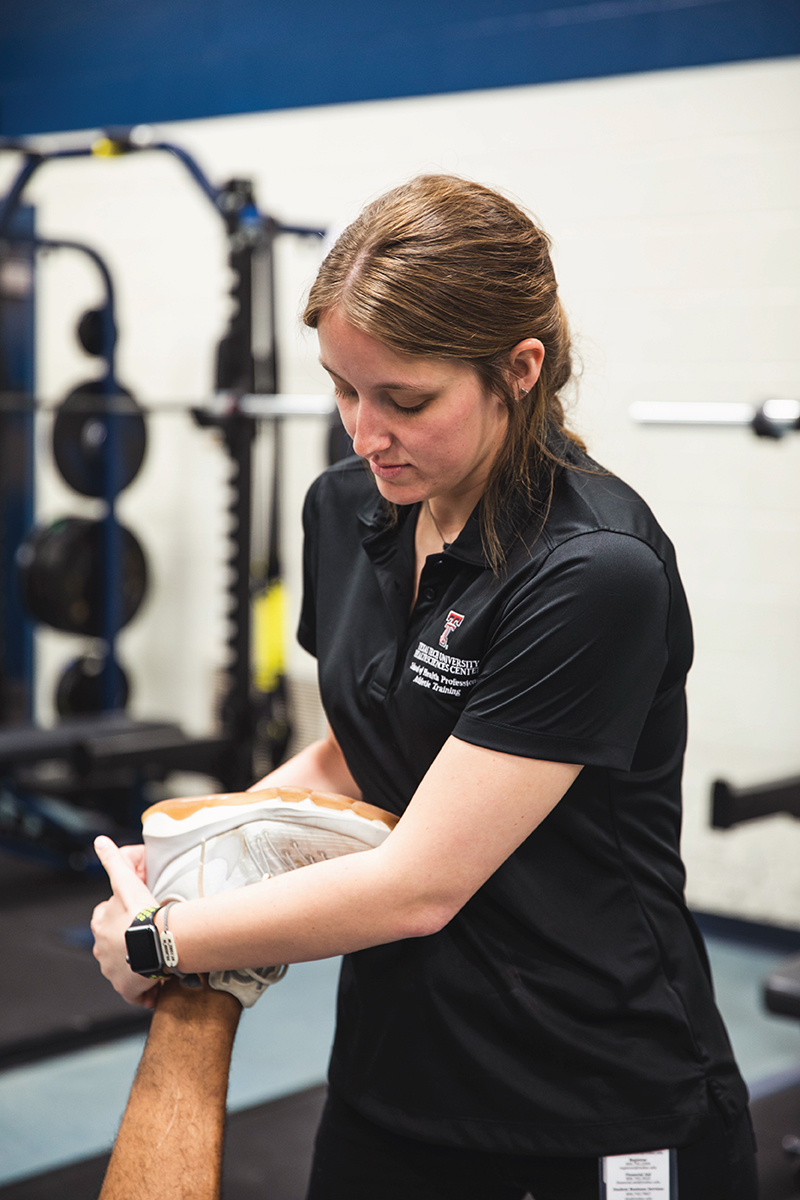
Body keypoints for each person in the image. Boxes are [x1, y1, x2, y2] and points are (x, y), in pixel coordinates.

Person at [92, 174, 757, 1199]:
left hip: (587, 1089)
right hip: (389, 1075)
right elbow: (362, 745)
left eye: (403, 400)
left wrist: (161, 937)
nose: (364, 433)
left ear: (518, 369)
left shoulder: (589, 568)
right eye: (342, 389)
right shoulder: (345, 509)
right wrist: (194, 854)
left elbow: (419, 885)